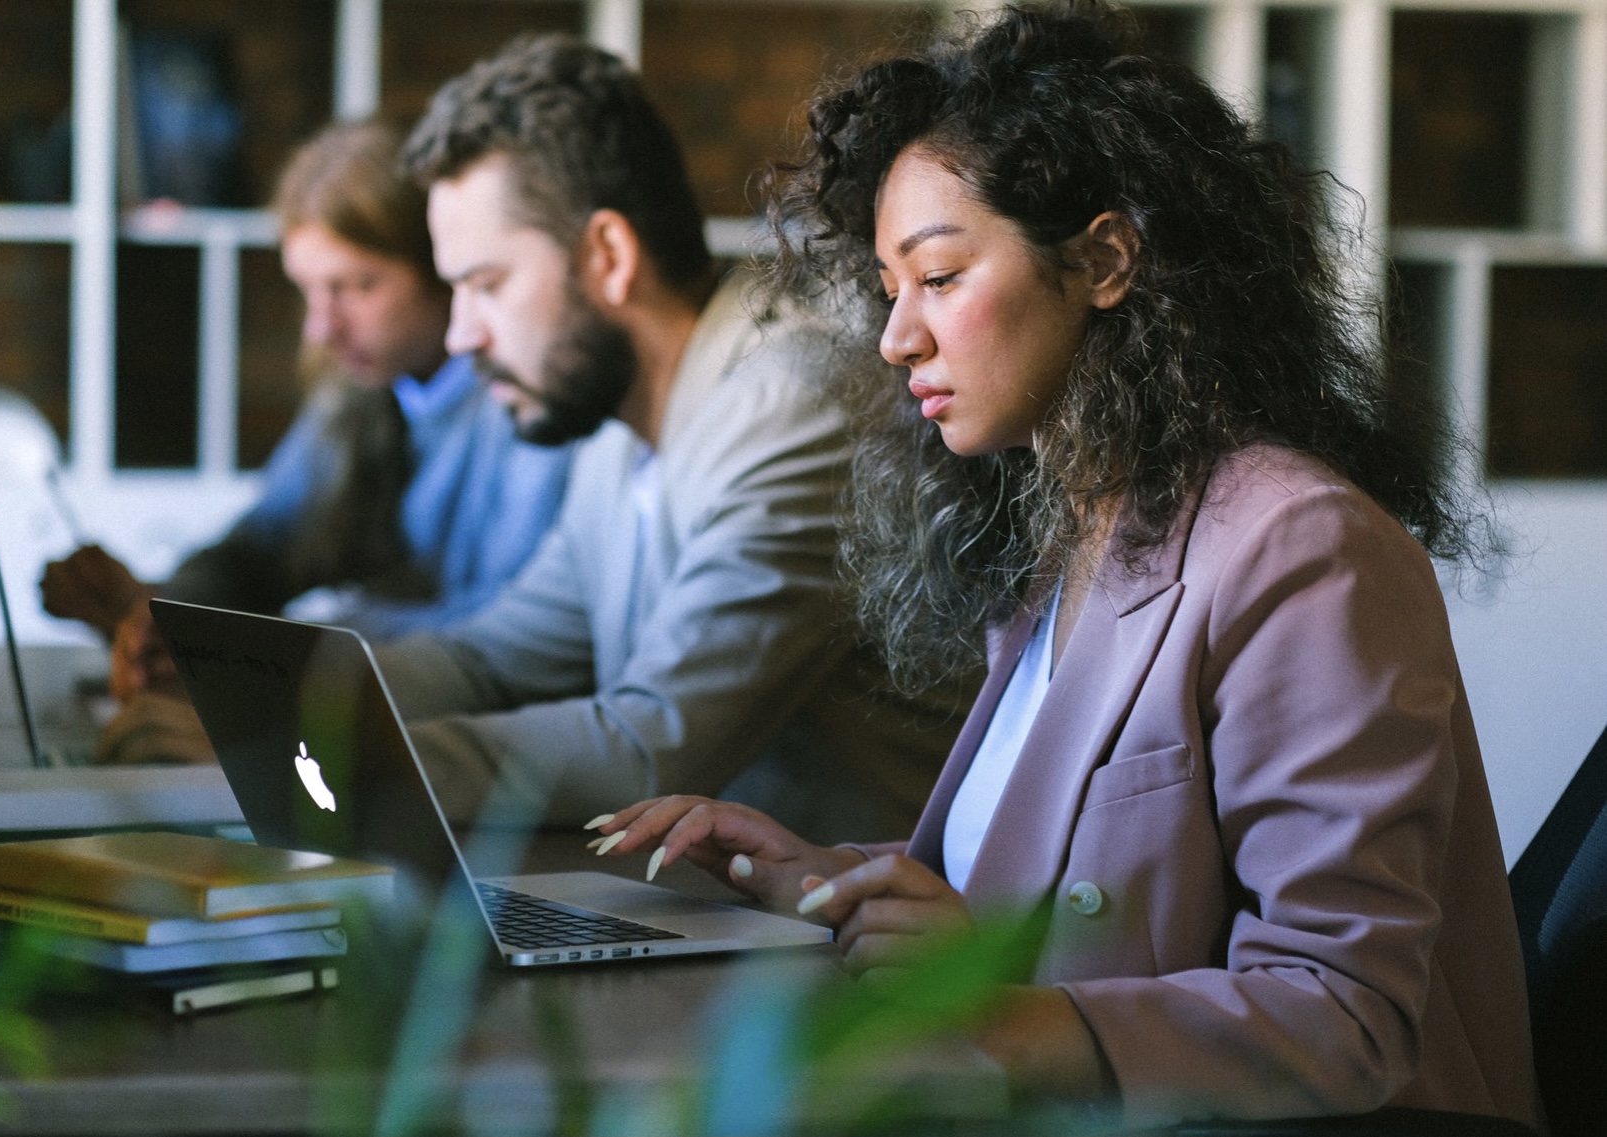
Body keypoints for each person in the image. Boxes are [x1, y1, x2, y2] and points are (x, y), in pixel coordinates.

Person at [586, 3, 1543, 1130]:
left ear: (1102, 259)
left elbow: (1347, 1016)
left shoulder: (1300, 549)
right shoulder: (1081, 532)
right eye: (890, 291)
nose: (898, 338)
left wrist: (996, 1009)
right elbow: (1063, 868)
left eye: (938, 278)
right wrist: (830, 883)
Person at [367, 34, 967, 844]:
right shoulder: (620, 430)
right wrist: (289, 689)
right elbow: (494, 659)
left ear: (609, 256)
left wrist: (347, 754)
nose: (462, 333)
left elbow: (655, 745)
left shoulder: (796, 403)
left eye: (487, 284)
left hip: (867, 949)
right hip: (719, 920)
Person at [40, 118, 574, 762]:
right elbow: (259, 551)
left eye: (355, 287)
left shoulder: (532, 402)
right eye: (309, 292)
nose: (322, 327)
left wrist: (260, 653)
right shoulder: (362, 391)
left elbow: (503, 640)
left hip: (484, 755)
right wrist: (170, 612)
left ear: (444, 268)